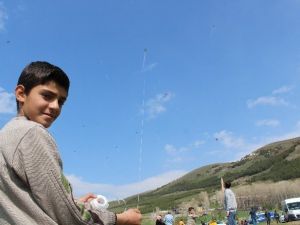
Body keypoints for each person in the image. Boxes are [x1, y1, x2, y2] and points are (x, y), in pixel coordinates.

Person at [0, 61, 142, 225]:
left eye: (61, 101)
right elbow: (70, 217)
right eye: (47, 96)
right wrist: (121, 219)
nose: (55, 106)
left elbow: (24, 204)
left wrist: (73, 203)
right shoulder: (32, 133)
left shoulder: (6, 136)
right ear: (21, 94)